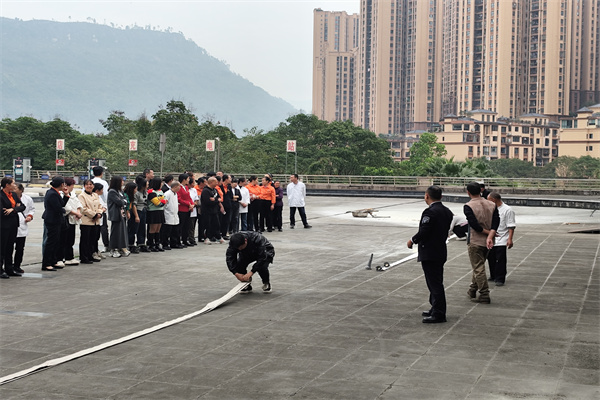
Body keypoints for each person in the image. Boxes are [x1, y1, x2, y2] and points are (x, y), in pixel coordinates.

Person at [407, 186, 453, 323]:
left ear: (427, 196)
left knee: (434, 283)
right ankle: (435, 307)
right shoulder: (447, 211)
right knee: (435, 281)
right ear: (441, 197)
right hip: (440, 249)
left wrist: (412, 240)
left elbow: (425, 231)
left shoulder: (430, 212)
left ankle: (439, 313)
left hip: (430, 251)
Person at [464, 181, 499, 304]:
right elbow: (496, 222)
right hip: (490, 241)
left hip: (475, 240)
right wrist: (490, 234)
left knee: (478, 268)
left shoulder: (468, 206)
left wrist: (487, 233)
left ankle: (484, 294)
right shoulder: (491, 204)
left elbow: (475, 226)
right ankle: (472, 289)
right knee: (479, 266)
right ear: (481, 190)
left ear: (468, 192)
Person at [487, 192, 516, 286]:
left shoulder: (507, 210)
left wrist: (510, 239)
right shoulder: (491, 209)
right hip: (492, 237)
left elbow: (511, 226)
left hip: (502, 237)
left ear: (493, 200)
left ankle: (500, 278)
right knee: (490, 257)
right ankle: (493, 275)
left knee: (500, 259)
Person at [41, 176, 69, 272]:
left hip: (56, 220)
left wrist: (66, 196)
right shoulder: (52, 193)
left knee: (56, 241)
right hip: (52, 220)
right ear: (61, 184)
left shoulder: (55, 193)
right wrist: (63, 210)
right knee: (51, 242)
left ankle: (53, 260)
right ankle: (46, 263)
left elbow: (61, 204)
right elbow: (57, 207)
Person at [1, 177, 26, 278]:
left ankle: (9, 268)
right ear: (7, 185)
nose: (15, 186)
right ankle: (0, 269)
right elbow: (3, 211)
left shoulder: (14, 195)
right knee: (2, 247)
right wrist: (16, 208)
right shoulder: (1, 196)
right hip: (3, 225)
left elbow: (22, 206)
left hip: (13, 224)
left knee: (10, 247)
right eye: (13, 184)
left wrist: (13, 209)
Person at [78, 179, 103, 264]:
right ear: (84, 186)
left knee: (93, 239)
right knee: (85, 240)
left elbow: (100, 206)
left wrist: (99, 213)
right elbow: (83, 208)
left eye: (91, 184)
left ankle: (90, 255)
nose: (89, 186)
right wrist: (94, 215)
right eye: (87, 184)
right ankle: (84, 257)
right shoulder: (82, 196)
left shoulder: (95, 195)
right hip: (87, 221)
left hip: (96, 221)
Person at [60, 177, 83, 266]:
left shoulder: (72, 194)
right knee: (65, 239)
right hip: (67, 218)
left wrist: (78, 212)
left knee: (71, 239)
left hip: (74, 219)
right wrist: (75, 213)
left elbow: (78, 204)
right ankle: (65, 257)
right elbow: (66, 207)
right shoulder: (62, 194)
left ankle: (70, 257)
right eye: (72, 185)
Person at [14, 183, 35, 274]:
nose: (13, 190)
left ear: (21, 190)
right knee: (8, 248)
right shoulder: (9, 198)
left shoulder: (27, 199)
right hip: (11, 225)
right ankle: (7, 265)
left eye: (15, 188)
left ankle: (17, 265)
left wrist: (29, 216)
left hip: (22, 224)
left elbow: (32, 209)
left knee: (20, 248)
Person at [107, 176, 128, 258]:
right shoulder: (112, 191)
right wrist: (123, 201)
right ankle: (113, 248)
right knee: (115, 232)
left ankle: (120, 247)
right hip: (115, 214)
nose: (123, 182)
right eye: (121, 181)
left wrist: (124, 201)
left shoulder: (120, 191)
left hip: (122, 213)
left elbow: (125, 199)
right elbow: (119, 202)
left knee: (121, 231)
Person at [91, 166, 109, 252]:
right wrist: (105, 207)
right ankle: (106, 245)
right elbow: (106, 196)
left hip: (91, 208)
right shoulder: (104, 183)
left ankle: (93, 247)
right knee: (103, 228)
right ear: (102, 173)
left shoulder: (90, 182)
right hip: (101, 207)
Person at [146, 177, 166, 252]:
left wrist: (162, 201)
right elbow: (158, 203)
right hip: (153, 212)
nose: (162, 184)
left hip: (160, 211)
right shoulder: (151, 192)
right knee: (153, 229)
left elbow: (165, 200)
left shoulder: (160, 191)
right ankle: (151, 244)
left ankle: (157, 243)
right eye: (160, 182)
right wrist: (162, 201)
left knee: (158, 228)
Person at [201, 177, 223, 244]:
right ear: (211, 182)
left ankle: (218, 237)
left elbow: (219, 198)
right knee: (207, 225)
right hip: (207, 211)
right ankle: (206, 238)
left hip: (214, 211)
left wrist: (215, 200)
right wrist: (216, 200)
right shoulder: (205, 191)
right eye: (215, 182)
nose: (217, 183)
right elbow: (207, 202)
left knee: (216, 224)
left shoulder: (215, 190)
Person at [177, 174, 195, 247]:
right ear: (184, 180)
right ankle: (178, 240)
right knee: (180, 226)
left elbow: (189, 197)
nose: (188, 180)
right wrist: (188, 203)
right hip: (181, 208)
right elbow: (179, 199)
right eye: (187, 179)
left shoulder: (186, 187)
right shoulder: (179, 187)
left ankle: (185, 240)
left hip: (187, 209)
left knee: (186, 226)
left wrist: (192, 204)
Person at [162, 181, 181, 249]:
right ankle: (165, 244)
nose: (180, 188)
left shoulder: (175, 194)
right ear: (175, 187)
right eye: (179, 186)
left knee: (175, 231)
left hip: (175, 214)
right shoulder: (167, 194)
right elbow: (165, 203)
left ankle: (174, 243)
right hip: (168, 214)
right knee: (167, 231)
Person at [134, 175, 150, 252]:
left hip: (144, 210)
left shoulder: (145, 192)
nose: (148, 186)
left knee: (143, 228)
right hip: (138, 210)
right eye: (146, 185)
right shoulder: (136, 193)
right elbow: (134, 204)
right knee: (136, 228)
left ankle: (141, 243)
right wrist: (136, 216)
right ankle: (131, 244)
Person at [123, 181, 139, 254]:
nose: (136, 191)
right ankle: (128, 244)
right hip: (126, 213)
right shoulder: (125, 195)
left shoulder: (132, 196)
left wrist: (136, 216)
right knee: (128, 229)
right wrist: (127, 212)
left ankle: (131, 244)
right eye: (135, 189)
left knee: (132, 229)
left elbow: (133, 206)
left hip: (130, 212)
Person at [92, 183, 106, 260]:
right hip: (95, 218)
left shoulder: (99, 197)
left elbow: (104, 206)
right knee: (94, 237)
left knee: (97, 237)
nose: (103, 192)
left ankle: (96, 250)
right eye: (102, 190)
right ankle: (93, 252)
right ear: (97, 190)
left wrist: (102, 210)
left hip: (99, 219)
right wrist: (100, 211)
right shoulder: (94, 197)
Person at [187, 174, 200, 245]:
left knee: (192, 226)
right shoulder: (185, 189)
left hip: (193, 209)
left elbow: (196, 199)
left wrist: (193, 205)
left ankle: (191, 238)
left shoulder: (194, 190)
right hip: (187, 209)